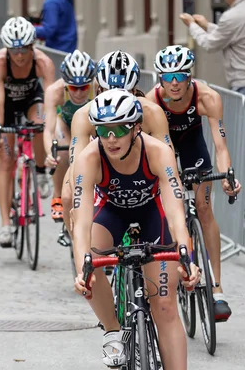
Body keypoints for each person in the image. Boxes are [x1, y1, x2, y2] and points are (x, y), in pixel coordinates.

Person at [72, 88, 200, 370]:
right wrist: (82, 264)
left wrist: (186, 254)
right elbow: (81, 219)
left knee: (164, 305)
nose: (110, 139)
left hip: (152, 215)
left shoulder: (158, 152)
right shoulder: (89, 157)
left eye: (119, 129)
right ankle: (113, 330)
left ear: (136, 127)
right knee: (90, 265)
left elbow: (175, 211)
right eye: (102, 130)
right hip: (110, 214)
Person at [146, 45, 242, 321]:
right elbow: (156, 146)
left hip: (192, 145)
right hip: (162, 147)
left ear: (190, 76)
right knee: (165, 211)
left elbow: (220, 146)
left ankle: (217, 287)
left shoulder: (208, 97)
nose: (174, 83)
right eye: (168, 76)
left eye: (180, 75)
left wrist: (227, 176)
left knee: (203, 208)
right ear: (160, 78)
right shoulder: (153, 102)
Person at [64, 50, 172, 235]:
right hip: (98, 167)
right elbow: (76, 164)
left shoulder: (151, 113)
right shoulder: (84, 115)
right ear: (99, 89)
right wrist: (78, 204)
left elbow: (166, 155)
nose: (115, 99)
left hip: (139, 174)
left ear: (134, 91)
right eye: (109, 92)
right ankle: (82, 251)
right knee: (67, 197)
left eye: (124, 93)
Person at [0, 16, 56, 247]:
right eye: (14, 50)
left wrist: (51, 130)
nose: (19, 55)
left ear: (32, 46)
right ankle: (5, 224)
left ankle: (39, 170)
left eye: (24, 50)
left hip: (32, 99)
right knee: (6, 162)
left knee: (39, 122)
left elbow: (51, 99)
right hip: (7, 104)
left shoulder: (43, 62)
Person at [43, 49, 96, 223]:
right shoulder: (55, 91)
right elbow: (49, 129)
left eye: (84, 87)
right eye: (74, 87)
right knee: (62, 152)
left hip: (90, 123)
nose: (79, 92)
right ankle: (58, 197)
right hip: (65, 123)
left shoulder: (98, 88)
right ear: (65, 83)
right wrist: (50, 153)